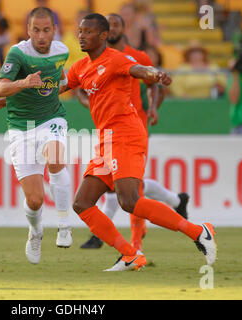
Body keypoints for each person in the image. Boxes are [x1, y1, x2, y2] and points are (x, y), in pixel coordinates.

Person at [61, 14, 216, 271]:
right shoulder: (81, 67)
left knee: (130, 200)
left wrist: (155, 75)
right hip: (106, 139)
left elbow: (140, 70)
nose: (81, 35)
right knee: (82, 203)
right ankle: (131, 254)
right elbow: (55, 89)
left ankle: (198, 231)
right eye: (80, 31)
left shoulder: (117, 58)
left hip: (126, 134)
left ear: (102, 36)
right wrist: (12, 95)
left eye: (87, 31)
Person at [77, 14, 189, 251]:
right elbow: (79, 86)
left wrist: (154, 108)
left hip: (132, 129)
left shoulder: (134, 57)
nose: (114, 27)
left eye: (117, 24)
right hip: (107, 133)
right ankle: (175, 200)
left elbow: (150, 81)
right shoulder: (91, 61)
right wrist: (93, 102)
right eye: (111, 24)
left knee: (130, 192)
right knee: (125, 189)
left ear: (112, 31)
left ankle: (134, 245)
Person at [0, 7, 73, 264]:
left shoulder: (62, 52)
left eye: (46, 30)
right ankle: (36, 231)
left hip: (52, 119)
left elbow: (56, 84)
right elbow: (2, 86)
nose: (41, 36)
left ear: (54, 31)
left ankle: (64, 224)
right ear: (28, 31)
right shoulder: (18, 53)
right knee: (35, 200)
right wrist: (22, 85)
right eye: (36, 30)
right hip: (21, 128)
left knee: (56, 157)